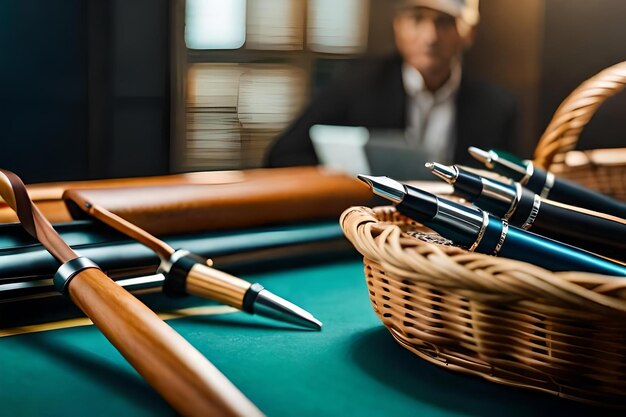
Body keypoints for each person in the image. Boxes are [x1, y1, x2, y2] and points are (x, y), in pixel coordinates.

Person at [265, 0, 519, 168]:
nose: (430, 37)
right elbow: (283, 155)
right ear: (398, 26)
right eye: (418, 19)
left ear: (467, 33)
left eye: (444, 22)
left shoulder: (496, 108)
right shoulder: (357, 83)